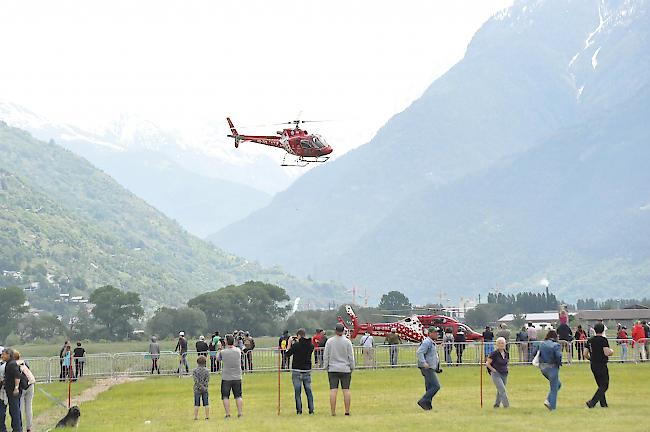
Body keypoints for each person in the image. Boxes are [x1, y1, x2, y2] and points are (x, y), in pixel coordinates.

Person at [322, 323, 354, 416]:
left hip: (333, 368)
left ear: (335, 331)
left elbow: (326, 355)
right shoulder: (347, 342)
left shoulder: (330, 341)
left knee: (333, 390)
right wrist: (352, 366)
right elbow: (351, 356)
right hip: (345, 368)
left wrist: (326, 366)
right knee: (346, 390)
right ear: (343, 330)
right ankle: (347, 411)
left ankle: (333, 412)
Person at [285, 328, 315, 414]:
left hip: (296, 370)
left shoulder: (296, 345)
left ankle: (299, 410)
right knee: (308, 391)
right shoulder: (310, 345)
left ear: (298, 336)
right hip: (306, 370)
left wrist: (290, 343)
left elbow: (287, 354)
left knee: (297, 392)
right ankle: (311, 409)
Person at [585, 323, 614, 408]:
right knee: (605, 385)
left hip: (593, 364)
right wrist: (611, 351)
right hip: (601, 364)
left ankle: (603, 403)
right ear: (603, 330)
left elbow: (585, 353)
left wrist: (590, 358)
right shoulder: (603, 340)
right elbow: (606, 352)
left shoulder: (590, 340)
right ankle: (592, 402)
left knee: (600, 384)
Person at [416, 326, 441, 410]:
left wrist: (437, 367)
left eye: (437, 332)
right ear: (430, 333)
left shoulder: (432, 343)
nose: (437, 334)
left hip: (431, 367)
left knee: (429, 386)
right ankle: (423, 400)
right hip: (427, 368)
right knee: (436, 386)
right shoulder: (427, 342)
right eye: (435, 332)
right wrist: (424, 362)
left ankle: (427, 405)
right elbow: (419, 352)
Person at [217, 335, 243, 419]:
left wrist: (219, 348)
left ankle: (228, 414)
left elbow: (218, 358)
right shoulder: (238, 350)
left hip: (226, 377)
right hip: (237, 376)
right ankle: (239, 413)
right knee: (238, 396)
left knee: (225, 396)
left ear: (226, 342)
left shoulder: (223, 352)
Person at [538, 330, 562, 410]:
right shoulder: (556, 345)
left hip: (543, 368)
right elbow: (558, 356)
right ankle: (552, 407)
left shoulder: (542, 344)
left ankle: (548, 400)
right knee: (554, 388)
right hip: (552, 367)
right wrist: (559, 363)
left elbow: (536, 353)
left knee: (558, 384)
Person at [1, 348, 22, 432]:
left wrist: (16, 388)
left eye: (4, 354)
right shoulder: (8, 363)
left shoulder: (12, 364)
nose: (2, 356)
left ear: (8, 355)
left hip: (14, 392)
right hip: (10, 391)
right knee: (13, 411)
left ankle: (17, 429)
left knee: (15, 411)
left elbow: (17, 376)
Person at [485, 337, 509, 408]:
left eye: (502, 343)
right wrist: (493, 370)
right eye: (499, 343)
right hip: (496, 374)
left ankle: (496, 404)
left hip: (504, 373)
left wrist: (507, 368)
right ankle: (506, 406)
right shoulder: (494, 354)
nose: (501, 345)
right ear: (497, 345)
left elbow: (507, 362)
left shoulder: (506, 353)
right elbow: (487, 363)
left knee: (500, 390)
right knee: (502, 389)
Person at [15, 350, 35, 432]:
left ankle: (20, 427)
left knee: (21, 408)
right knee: (29, 407)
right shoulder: (24, 362)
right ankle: (29, 427)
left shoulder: (14, 365)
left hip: (21, 387)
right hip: (30, 384)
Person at [192, 356, 210, 420]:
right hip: (205, 389)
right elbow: (207, 380)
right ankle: (207, 416)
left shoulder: (194, 371)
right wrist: (204, 386)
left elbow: (195, 380)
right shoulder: (207, 371)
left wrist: (200, 386)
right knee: (206, 403)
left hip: (197, 388)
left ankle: (196, 416)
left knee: (196, 403)